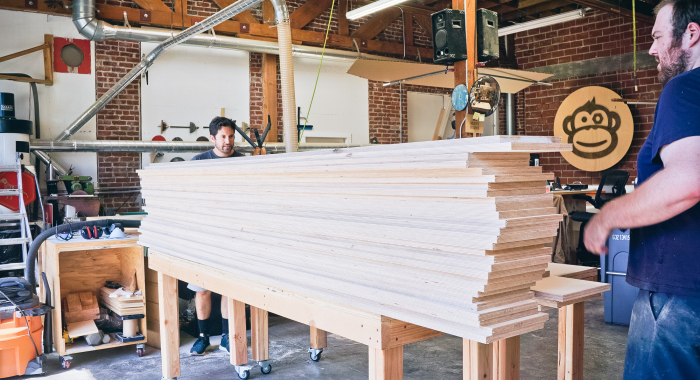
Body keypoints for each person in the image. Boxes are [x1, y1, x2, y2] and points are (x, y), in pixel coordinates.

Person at [583, 1, 700, 378]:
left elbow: (688, 181)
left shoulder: (686, 89)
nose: (651, 49)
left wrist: (608, 215)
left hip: (679, 298)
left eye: (657, 37)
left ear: (691, 34)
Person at [189, 116, 242, 355]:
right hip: (204, 235)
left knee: (229, 289)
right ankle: (202, 337)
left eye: (231, 136)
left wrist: (262, 162)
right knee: (202, 289)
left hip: (234, 237)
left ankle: (226, 337)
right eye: (223, 137)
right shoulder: (198, 162)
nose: (228, 141)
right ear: (213, 138)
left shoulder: (243, 162)